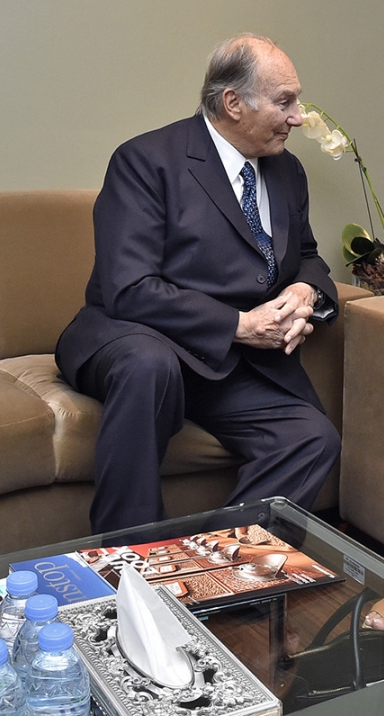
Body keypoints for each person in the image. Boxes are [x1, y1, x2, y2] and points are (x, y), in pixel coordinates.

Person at [55, 34, 340, 534]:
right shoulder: (146, 160)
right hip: (137, 336)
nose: (298, 116)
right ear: (233, 102)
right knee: (150, 365)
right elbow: (130, 287)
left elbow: (310, 257)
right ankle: (126, 558)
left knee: (312, 436)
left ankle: (215, 565)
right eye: (284, 101)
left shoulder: (287, 171)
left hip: (223, 362)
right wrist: (239, 324)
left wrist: (305, 292)